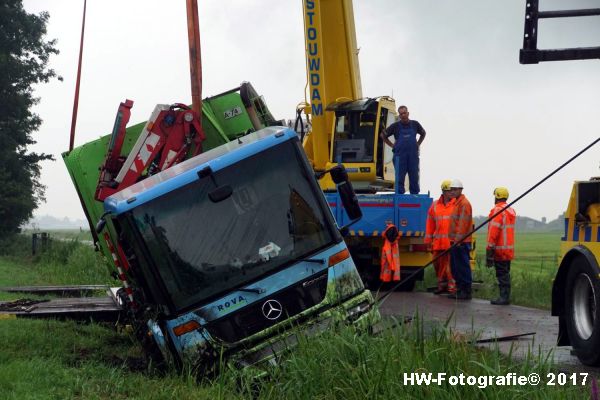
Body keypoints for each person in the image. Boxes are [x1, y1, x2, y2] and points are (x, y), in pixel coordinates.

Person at [380, 105, 426, 194]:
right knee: (400, 178)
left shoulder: (415, 124)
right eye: (401, 114)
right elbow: (383, 135)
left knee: (414, 177)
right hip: (400, 157)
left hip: (413, 156)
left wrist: (418, 144)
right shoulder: (395, 126)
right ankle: (400, 196)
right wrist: (392, 145)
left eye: (404, 113)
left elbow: (423, 133)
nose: (403, 115)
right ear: (399, 116)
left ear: (408, 113)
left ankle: (415, 196)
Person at [425, 179, 456, 295]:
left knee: (449, 267)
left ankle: (452, 287)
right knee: (437, 265)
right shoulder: (434, 206)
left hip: (450, 242)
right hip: (438, 243)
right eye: (448, 191)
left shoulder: (456, 205)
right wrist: (428, 240)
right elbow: (430, 224)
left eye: (452, 191)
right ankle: (442, 285)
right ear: (443, 191)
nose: (451, 193)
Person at [486, 187, 516, 305]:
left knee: (501, 274)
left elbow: (493, 232)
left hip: (499, 249)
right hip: (508, 250)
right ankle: (505, 296)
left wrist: (489, 249)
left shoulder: (497, 210)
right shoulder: (510, 211)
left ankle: (504, 298)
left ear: (497, 196)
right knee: (505, 273)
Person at [446, 179, 473, 300]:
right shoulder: (457, 203)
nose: (452, 192)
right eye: (451, 189)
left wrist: (457, 240)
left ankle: (466, 291)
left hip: (461, 242)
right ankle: (459, 289)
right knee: (455, 267)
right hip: (456, 241)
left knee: (462, 267)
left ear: (460, 190)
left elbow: (463, 224)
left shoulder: (464, 204)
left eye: (454, 189)